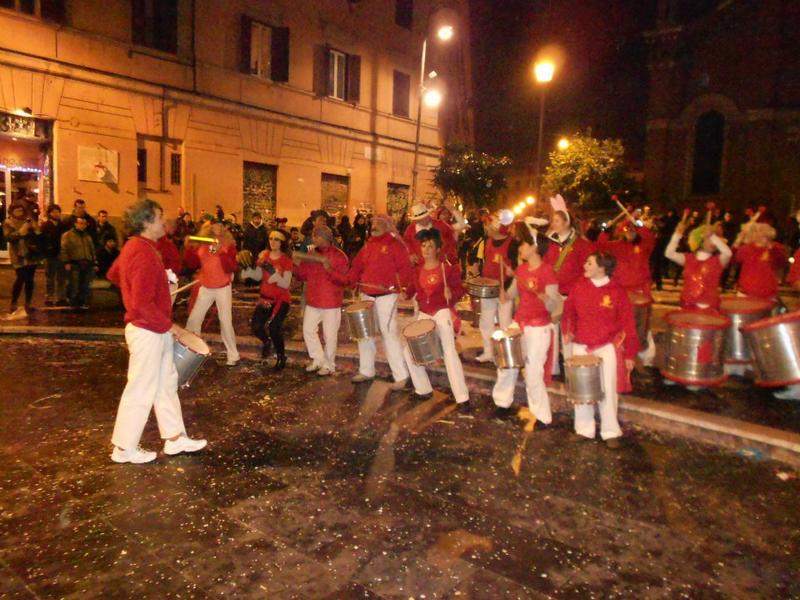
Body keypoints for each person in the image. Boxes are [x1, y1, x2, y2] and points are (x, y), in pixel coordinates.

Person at [106, 199, 206, 463]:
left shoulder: (137, 247)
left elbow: (115, 274)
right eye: (161, 217)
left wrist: (157, 285)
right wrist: (174, 328)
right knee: (141, 387)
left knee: (165, 384)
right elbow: (140, 305)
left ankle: (174, 438)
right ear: (147, 222)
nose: (165, 221)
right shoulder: (142, 252)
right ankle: (124, 448)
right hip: (148, 330)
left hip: (151, 328)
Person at [562, 252, 639, 448]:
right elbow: (569, 312)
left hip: (606, 347)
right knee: (581, 391)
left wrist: (630, 353)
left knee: (608, 389)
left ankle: (610, 431)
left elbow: (628, 323)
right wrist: (568, 331)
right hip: (581, 345)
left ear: (602, 268)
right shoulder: (579, 287)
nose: (585, 266)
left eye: (589, 263)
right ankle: (584, 429)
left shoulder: (617, 291)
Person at [492, 223, 561, 423]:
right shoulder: (521, 269)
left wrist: (546, 299)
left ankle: (542, 416)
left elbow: (553, 305)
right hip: (519, 323)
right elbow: (512, 294)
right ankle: (502, 403)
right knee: (507, 364)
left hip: (539, 328)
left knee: (533, 373)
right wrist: (505, 295)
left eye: (523, 245)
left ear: (534, 247)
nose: (520, 248)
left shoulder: (548, 272)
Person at [401, 228, 471, 412]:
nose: (426, 249)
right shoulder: (418, 269)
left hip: (441, 311)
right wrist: (405, 294)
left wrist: (452, 293)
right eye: (423, 245)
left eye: (430, 246)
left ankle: (462, 398)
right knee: (409, 351)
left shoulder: (447, 269)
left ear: (438, 249)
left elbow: (461, 289)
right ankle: (423, 388)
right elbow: (412, 288)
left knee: (449, 352)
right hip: (425, 312)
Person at [347, 213, 414, 387]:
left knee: (389, 334)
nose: (373, 226)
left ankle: (400, 376)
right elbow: (357, 265)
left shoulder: (395, 245)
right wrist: (352, 281)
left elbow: (405, 268)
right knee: (365, 334)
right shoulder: (368, 245)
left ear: (387, 225)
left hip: (387, 295)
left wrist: (403, 287)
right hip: (367, 294)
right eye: (372, 223)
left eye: (377, 223)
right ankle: (366, 370)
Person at [596, 218, 657, 365]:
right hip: (622, 293)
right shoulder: (617, 246)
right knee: (621, 326)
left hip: (641, 293)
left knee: (641, 327)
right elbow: (600, 246)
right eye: (626, 230)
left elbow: (650, 238)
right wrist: (606, 231)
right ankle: (622, 356)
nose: (629, 233)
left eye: (632, 230)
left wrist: (639, 226)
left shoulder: (644, 245)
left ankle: (646, 358)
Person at [294, 225, 349, 376]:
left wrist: (329, 269)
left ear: (324, 238)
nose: (313, 239)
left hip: (331, 301)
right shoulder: (311, 254)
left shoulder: (339, 256)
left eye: (315, 236)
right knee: (308, 330)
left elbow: (345, 280)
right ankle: (318, 358)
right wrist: (297, 265)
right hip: (313, 300)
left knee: (330, 335)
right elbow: (302, 276)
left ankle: (329, 364)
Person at [184, 220, 240, 366]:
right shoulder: (202, 242)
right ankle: (191, 350)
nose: (218, 228)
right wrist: (188, 247)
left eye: (221, 225)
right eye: (215, 224)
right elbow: (191, 263)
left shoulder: (228, 243)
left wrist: (221, 252)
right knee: (194, 319)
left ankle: (233, 355)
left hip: (222, 287)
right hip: (206, 286)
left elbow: (232, 266)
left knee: (225, 321)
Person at [475, 212, 518, 363]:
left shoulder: (513, 244)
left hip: (504, 290)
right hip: (488, 288)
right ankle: (489, 352)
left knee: (505, 322)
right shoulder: (487, 242)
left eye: (488, 224)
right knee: (485, 321)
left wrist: (506, 290)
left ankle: (505, 354)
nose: (485, 227)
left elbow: (516, 270)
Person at [665, 220, 732, 311]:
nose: (713, 242)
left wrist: (712, 236)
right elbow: (669, 253)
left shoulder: (718, 261)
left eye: (715, 239)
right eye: (709, 239)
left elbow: (728, 253)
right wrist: (677, 234)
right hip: (687, 305)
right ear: (699, 241)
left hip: (710, 308)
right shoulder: (688, 259)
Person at [252, 228, 293, 368]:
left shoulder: (286, 260)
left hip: (281, 299)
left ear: (282, 242)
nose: (273, 241)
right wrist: (247, 268)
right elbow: (257, 277)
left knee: (274, 327)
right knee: (256, 327)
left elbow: (286, 283)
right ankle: (267, 342)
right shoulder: (263, 257)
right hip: (265, 298)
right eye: (271, 238)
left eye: (277, 239)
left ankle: (281, 356)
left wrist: (274, 277)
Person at [732, 222, 786, 301]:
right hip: (746, 293)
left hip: (768, 294)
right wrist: (736, 243)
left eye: (763, 233)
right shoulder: (746, 249)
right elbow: (733, 259)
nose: (760, 235)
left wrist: (772, 248)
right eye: (757, 232)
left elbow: (782, 263)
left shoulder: (775, 248)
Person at [2, 203, 40, 319]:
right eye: (17, 211)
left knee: (30, 280)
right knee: (20, 278)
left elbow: (37, 234)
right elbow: (8, 237)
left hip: (30, 254)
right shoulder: (8, 223)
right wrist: (19, 232)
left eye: (21, 210)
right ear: (12, 212)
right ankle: (14, 302)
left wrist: (34, 227)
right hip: (18, 254)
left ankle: (28, 302)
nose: (20, 213)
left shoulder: (27, 220)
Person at [60, 215, 97, 310]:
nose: (82, 225)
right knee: (74, 284)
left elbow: (92, 250)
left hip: (87, 263)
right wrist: (66, 262)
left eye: (84, 224)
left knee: (85, 284)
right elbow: (64, 249)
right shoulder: (67, 235)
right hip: (75, 263)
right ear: (75, 224)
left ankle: (82, 302)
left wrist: (94, 262)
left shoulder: (87, 236)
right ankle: (73, 302)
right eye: (80, 223)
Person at [39, 204, 68, 306]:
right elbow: (41, 241)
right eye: (54, 212)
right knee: (50, 278)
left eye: (58, 212)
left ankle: (61, 297)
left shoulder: (62, 225)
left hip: (61, 254)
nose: (56, 214)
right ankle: (49, 297)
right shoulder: (45, 226)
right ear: (50, 213)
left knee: (61, 278)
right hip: (49, 255)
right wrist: (45, 252)